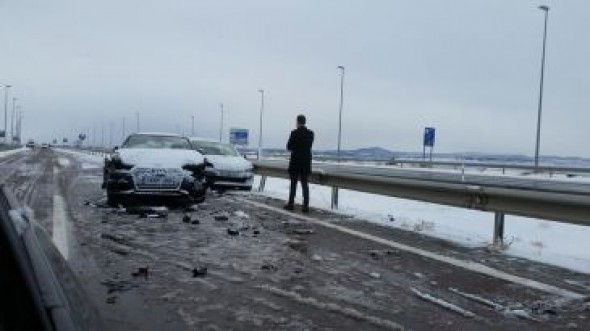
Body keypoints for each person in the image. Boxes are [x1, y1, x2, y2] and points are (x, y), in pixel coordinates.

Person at [284, 114, 314, 212]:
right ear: (305, 122)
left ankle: (291, 204)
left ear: (297, 122)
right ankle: (305, 206)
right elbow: (309, 146)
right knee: (305, 184)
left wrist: (295, 147)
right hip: (305, 163)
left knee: (293, 184)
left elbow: (289, 147)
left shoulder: (294, 133)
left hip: (295, 162)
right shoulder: (310, 134)